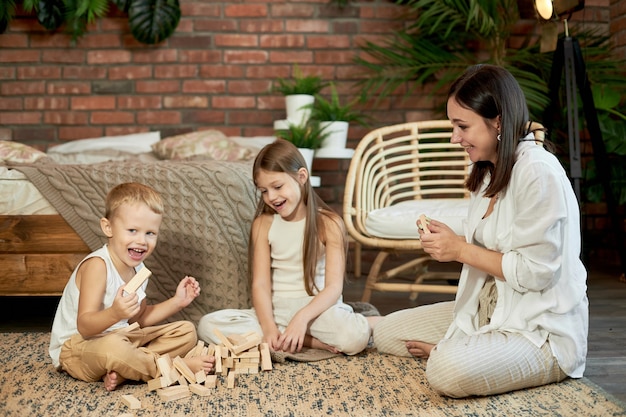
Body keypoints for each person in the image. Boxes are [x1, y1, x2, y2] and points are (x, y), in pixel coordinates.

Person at [372, 64, 588, 398]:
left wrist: (459, 250)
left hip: (540, 330)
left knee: (445, 371)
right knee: (387, 333)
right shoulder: (488, 169)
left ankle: (462, 355)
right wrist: (446, 236)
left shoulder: (538, 172)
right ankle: (472, 352)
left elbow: (536, 273)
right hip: (491, 308)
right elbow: (494, 235)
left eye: (462, 126)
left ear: (498, 121)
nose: (454, 137)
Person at [197, 138, 375, 355]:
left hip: (316, 311)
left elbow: (333, 288)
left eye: (277, 186)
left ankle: (300, 334)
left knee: (353, 338)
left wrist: (301, 318)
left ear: (301, 177)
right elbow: (260, 285)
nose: (271, 197)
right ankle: (307, 341)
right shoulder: (263, 224)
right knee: (207, 325)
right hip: (276, 309)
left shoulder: (329, 223)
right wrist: (269, 327)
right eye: (263, 191)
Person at [49, 182, 214, 391]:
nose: (142, 241)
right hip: (78, 348)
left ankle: (127, 371)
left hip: (123, 338)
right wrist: (115, 313)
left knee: (187, 331)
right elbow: (85, 326)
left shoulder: (139, 270)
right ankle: (173, 368)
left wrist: (177, 302)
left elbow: (139, 319)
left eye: (150, 233)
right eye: (132, 230)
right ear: (108, 227)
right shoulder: (97, 266)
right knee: (115, 349)